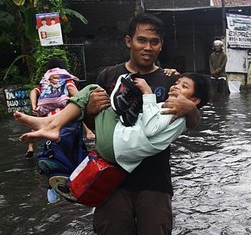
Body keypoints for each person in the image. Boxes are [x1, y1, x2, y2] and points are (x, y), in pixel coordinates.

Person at [83, 13, 201, 235]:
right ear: (129, 41)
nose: (148, 47)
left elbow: (192, 125)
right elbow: (97, 128)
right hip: (113, 178)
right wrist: (89, 112)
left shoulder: (172, 80)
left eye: (155, 42)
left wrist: (190, 109)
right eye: (142, 40)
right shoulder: (108, 76)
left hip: (154, 179)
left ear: (161, 45)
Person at [15, 73, 209, 184]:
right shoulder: (172, 109)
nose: (175, 86)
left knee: (92, 89)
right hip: (118, 150)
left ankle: (52, 124)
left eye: (183, 86)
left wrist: (148, 93)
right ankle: (51, 123)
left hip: (116, 144)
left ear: (194, 100)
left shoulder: (175, 110)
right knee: (92, 98)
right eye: (176, 83)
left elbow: (150, 129)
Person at [23, 57, 95, 158]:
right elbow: (72, 90)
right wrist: (82, 100)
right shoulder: (65, 78)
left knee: (36, 124)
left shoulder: (45, 81)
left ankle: (31, 148)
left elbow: (33, 91)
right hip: (65, 115)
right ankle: (89, 132)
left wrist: (34, 106)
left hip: (46, 115)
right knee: (77, 110)